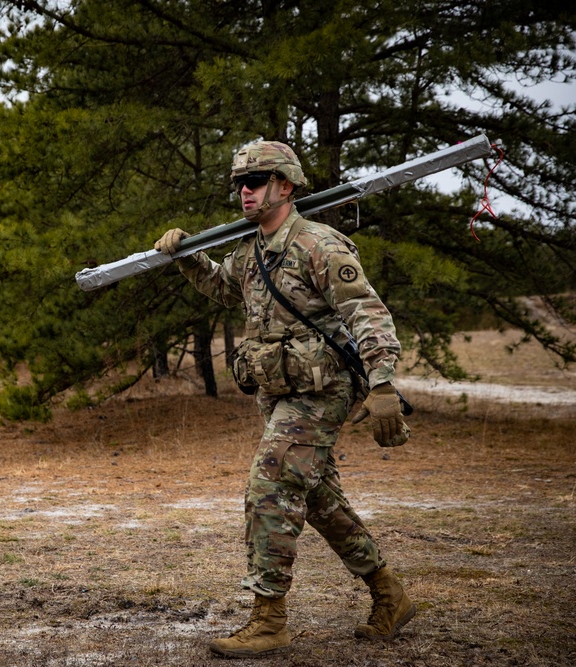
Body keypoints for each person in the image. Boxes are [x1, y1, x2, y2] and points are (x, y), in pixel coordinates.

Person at [154, 141, 415, 659]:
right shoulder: (250, 250)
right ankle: (389, 593)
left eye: (257, 181)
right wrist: (185, 255)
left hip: (324, 389)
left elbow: (367, 311)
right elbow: (226, 287)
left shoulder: (319, 244)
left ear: (286, 186)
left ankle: (268, 618)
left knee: (269, 485)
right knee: (317, 498)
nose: (245, 192)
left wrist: (383, 382)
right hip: (278, 392)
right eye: (240, 184)